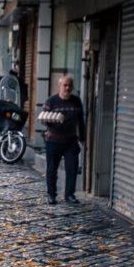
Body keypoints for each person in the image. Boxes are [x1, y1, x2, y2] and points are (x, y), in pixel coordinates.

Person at [41, 76, 85, 205]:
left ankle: (69, 194)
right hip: (53, 141)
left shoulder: (76, 101)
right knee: (52, 170)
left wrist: (82, 138)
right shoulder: (51, 101)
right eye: (65, 85)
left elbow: (81, 121)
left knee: (72, 168)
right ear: (59, 86)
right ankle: (51, 195)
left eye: (69, 85)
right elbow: (43, 119)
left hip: (71, 142)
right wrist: (51, 120)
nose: (67, 88)